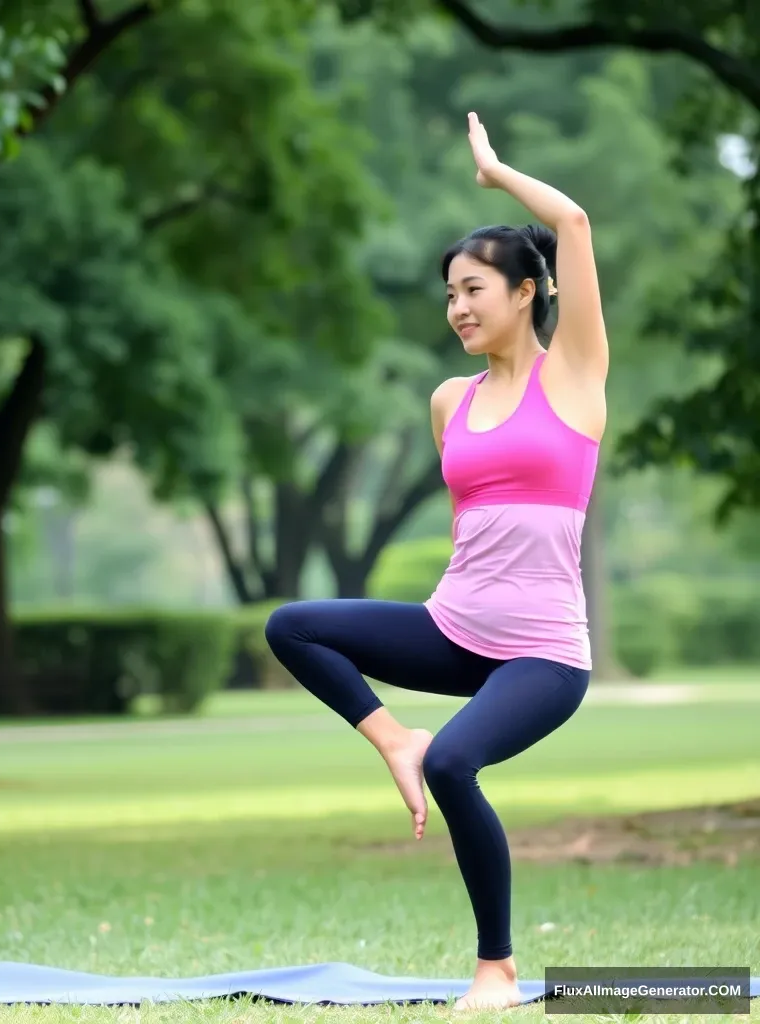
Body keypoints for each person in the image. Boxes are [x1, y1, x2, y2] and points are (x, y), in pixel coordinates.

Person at [264, 111, 608, 1012]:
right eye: (448, 294)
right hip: (455, 629)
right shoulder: (448, 401)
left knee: (459, 766)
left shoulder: (572, 377)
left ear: (526, 292)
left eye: (473, 288)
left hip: (543, 653)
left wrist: (496, 174)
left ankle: (495, 970)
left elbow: (571, 226)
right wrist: (391, 725)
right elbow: (474, 533)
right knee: (294, 626)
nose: (457, 307)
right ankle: (397, 741)